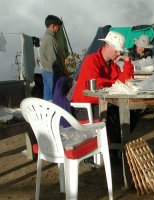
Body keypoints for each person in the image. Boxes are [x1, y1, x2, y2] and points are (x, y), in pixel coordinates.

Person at [72, 31, 137, 167]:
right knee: (113, 116)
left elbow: (126, 80)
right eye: (117, 50)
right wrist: (115, 84)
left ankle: (114, 147)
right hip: (86, 104)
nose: (118, 53)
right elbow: (96, 83)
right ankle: (102, 151)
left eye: (119, 51)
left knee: (132, 113)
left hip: (104, 102)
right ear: (107, 45)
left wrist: (127, 61)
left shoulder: (112, 65)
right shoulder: (91, 59)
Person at [40, 15, 66, 100]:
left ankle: (45, 113)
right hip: (52, 73)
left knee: (47, 98)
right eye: (58, 27)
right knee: (56, 97)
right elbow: (54, 60)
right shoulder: (51, 39)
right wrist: (63, 73)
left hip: (46, 71)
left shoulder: (44, 38)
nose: (58, 29)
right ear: (53, 26)